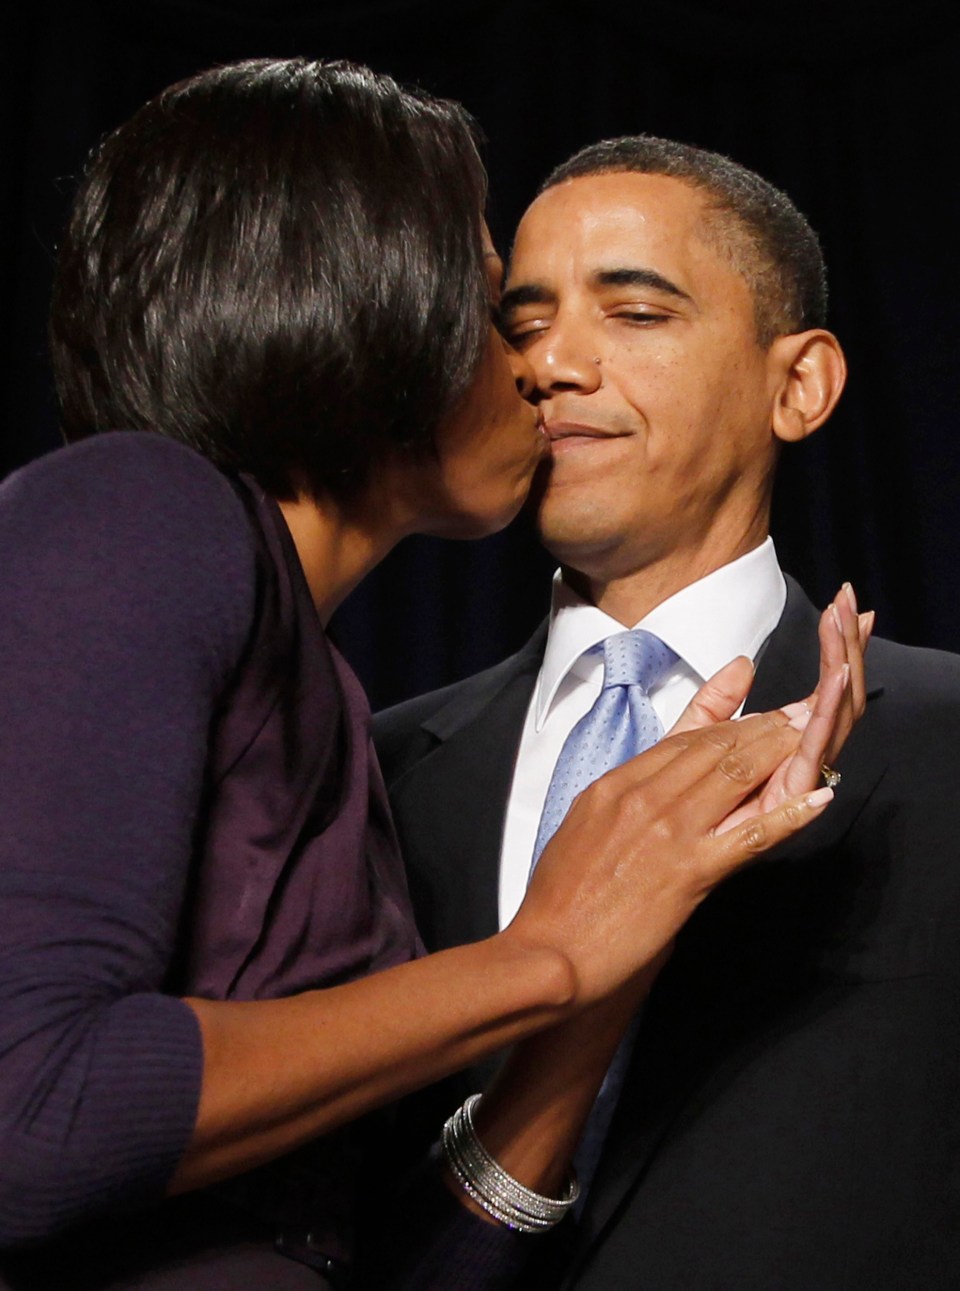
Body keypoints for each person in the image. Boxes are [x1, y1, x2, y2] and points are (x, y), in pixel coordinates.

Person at [0, 69, 859, 1291]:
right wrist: (544, 954)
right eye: (491, 298)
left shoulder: (333, 720)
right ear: (355, 298)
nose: (536, 369)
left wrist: (614, 955)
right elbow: (25, 1106)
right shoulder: (139, 510)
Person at [374, 135, 960, 1289]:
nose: (553, 364)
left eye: (635, 313)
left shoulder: (949, 742)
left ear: (799, 385)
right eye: (522, 323)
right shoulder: (373, 769)